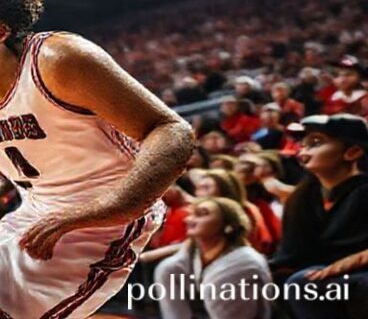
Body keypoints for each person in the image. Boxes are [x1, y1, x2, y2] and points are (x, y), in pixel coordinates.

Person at [0, 0, 194, 319]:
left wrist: (109, 208)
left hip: (103, 222)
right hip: (32, 215)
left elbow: (172, 131)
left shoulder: (57, 59)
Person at [271, 114, 368, 319]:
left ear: (353, 152)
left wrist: (356, 259)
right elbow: (291, 254)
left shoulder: (363, 190)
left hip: (356, 276)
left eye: (315, 143)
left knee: (302, 284)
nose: (303, 150)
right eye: (302, 144)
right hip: (322, 276)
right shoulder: (303, 197)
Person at [154, 197, 272, 319]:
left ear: (228, 225)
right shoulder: (186, 257)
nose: (188, 219)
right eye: (192, 214)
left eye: (201, 214)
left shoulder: (246, 262)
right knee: (166, 269)